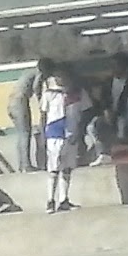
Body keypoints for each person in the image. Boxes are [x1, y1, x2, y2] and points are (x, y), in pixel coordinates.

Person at [40, 70, 84, 211]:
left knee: (67, 168)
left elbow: (80, 115)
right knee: (53, 168)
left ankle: (64, 200)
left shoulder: (76, 94)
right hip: (55, 134)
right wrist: (43, 134)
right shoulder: (49, 94)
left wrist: (77, 132)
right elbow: (43, 115)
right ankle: (50, 200)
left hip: (70, 134)